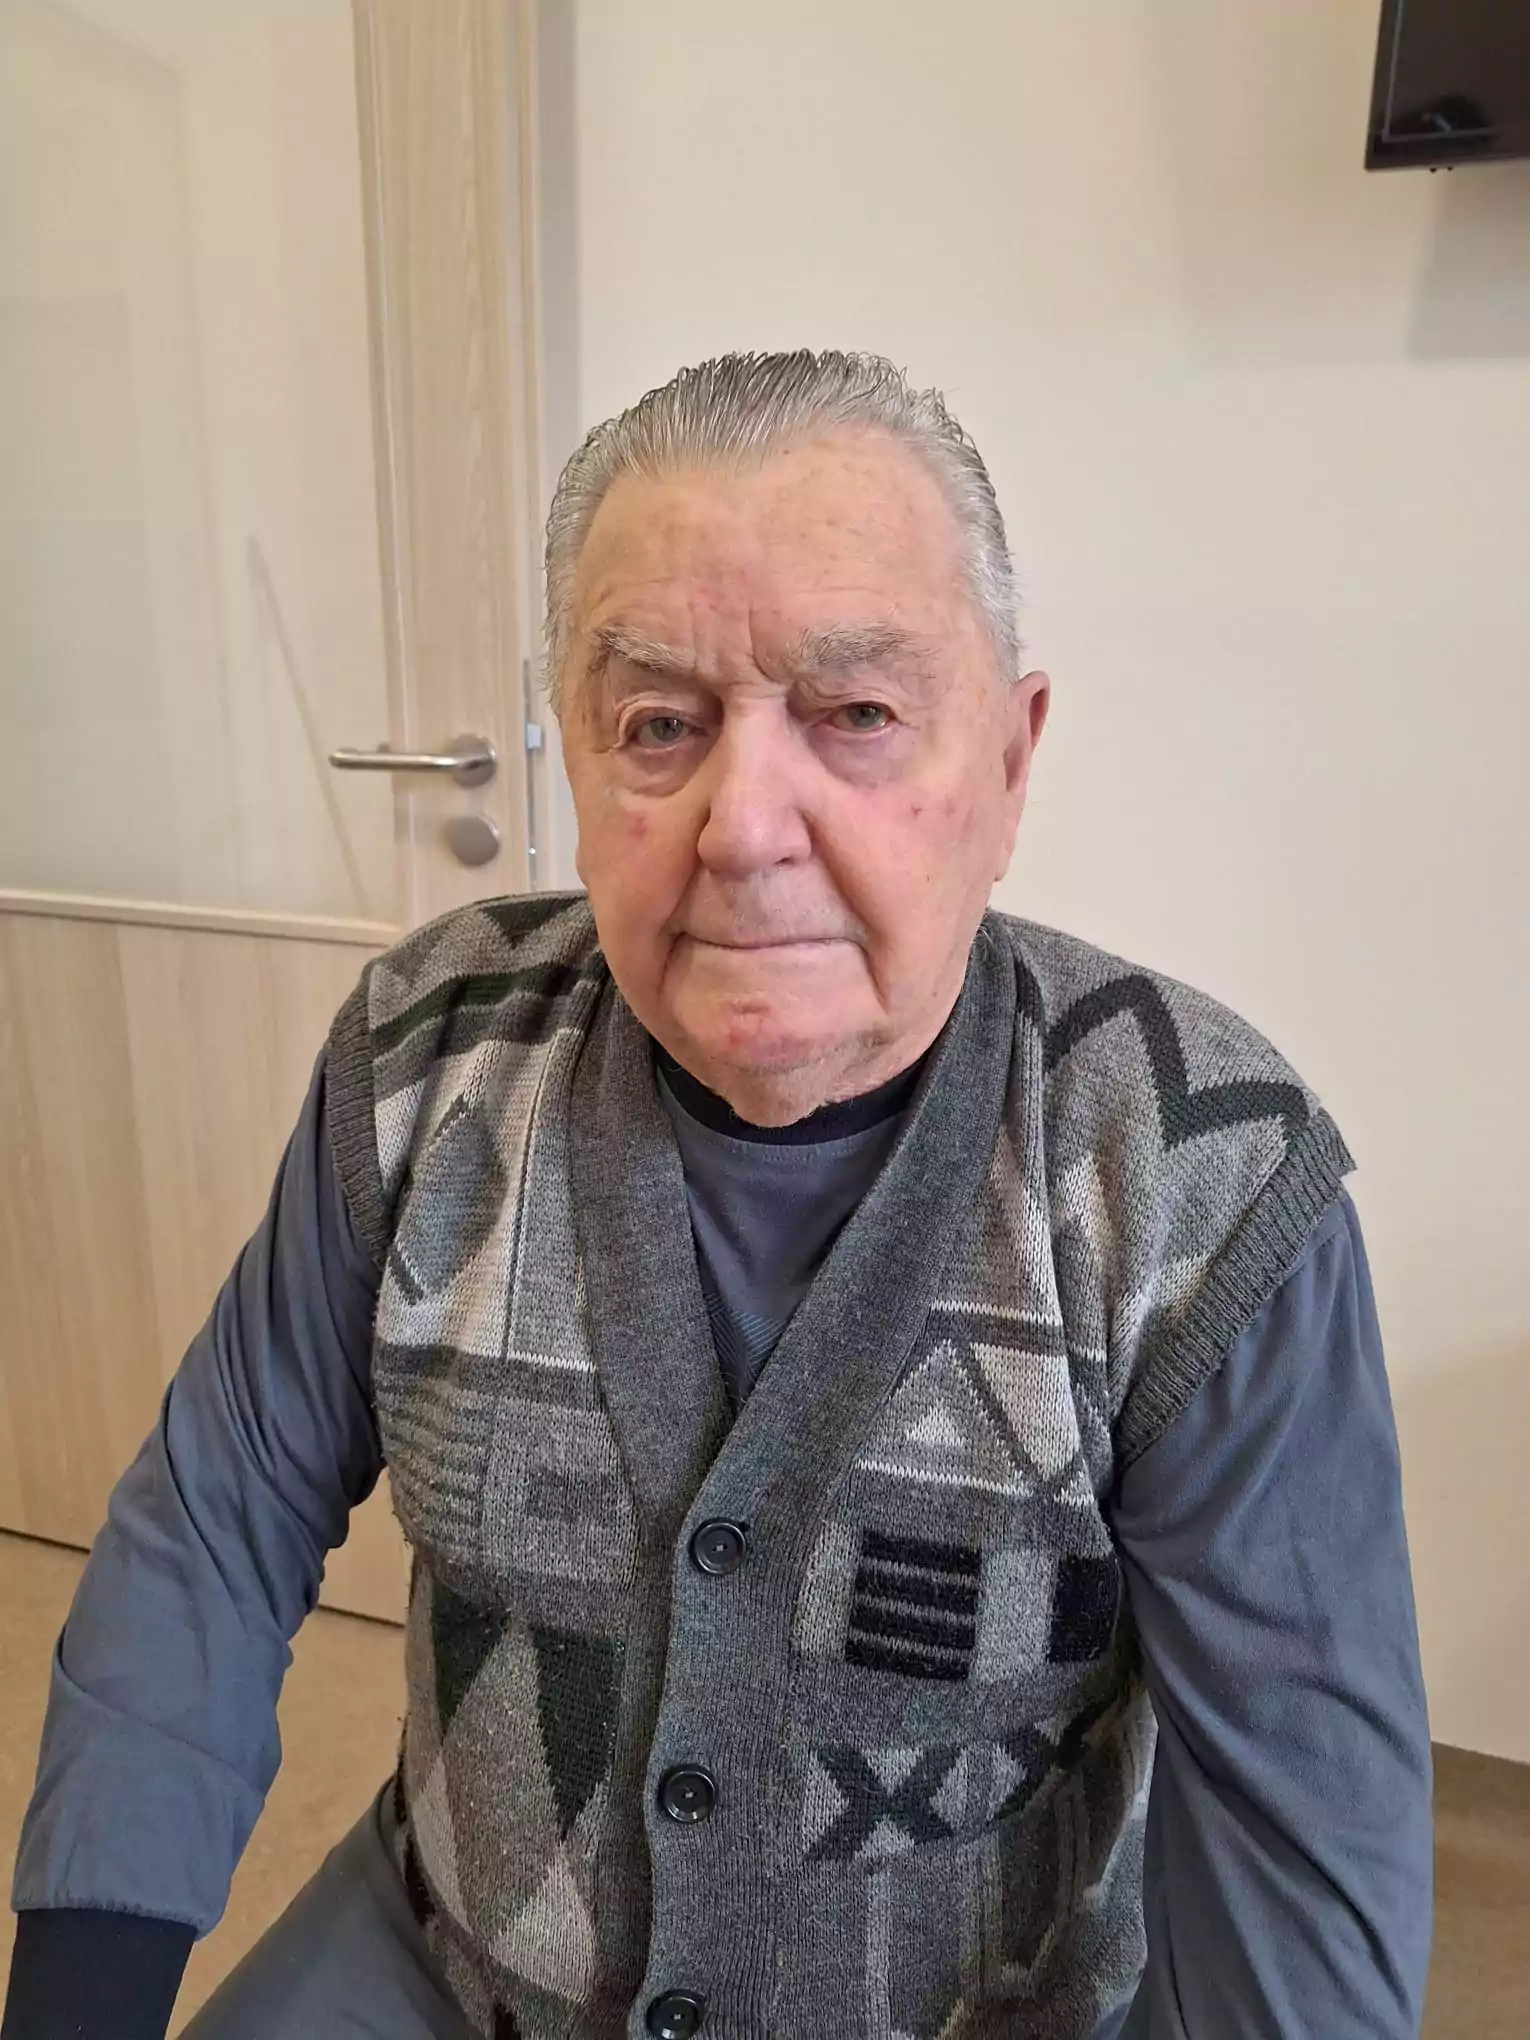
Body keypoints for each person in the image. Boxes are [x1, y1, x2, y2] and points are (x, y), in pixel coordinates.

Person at [2, 351, 1433, 2040]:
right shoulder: (424, 1056)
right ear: (577, 764)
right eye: (659, 726)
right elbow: (212, 1527)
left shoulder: (1198, 1172)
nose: (744, 826)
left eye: (857, 715)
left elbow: (1299, 1832)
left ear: (1009, 760)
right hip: (454, 1964)